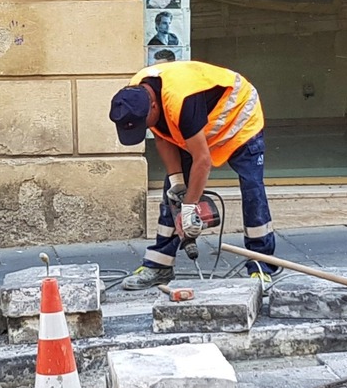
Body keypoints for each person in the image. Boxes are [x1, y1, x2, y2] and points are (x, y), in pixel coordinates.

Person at [108, 60, 278, 290]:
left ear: (154, 108)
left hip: (238, 117)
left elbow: (203, 160)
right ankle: (159, 265)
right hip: (196, 128)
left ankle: (262, 264)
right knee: (172, 193)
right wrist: (178, 183)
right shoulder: (134, 95)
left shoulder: (182, 100)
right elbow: (161, 134)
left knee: (252, 189)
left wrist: (189, 208)